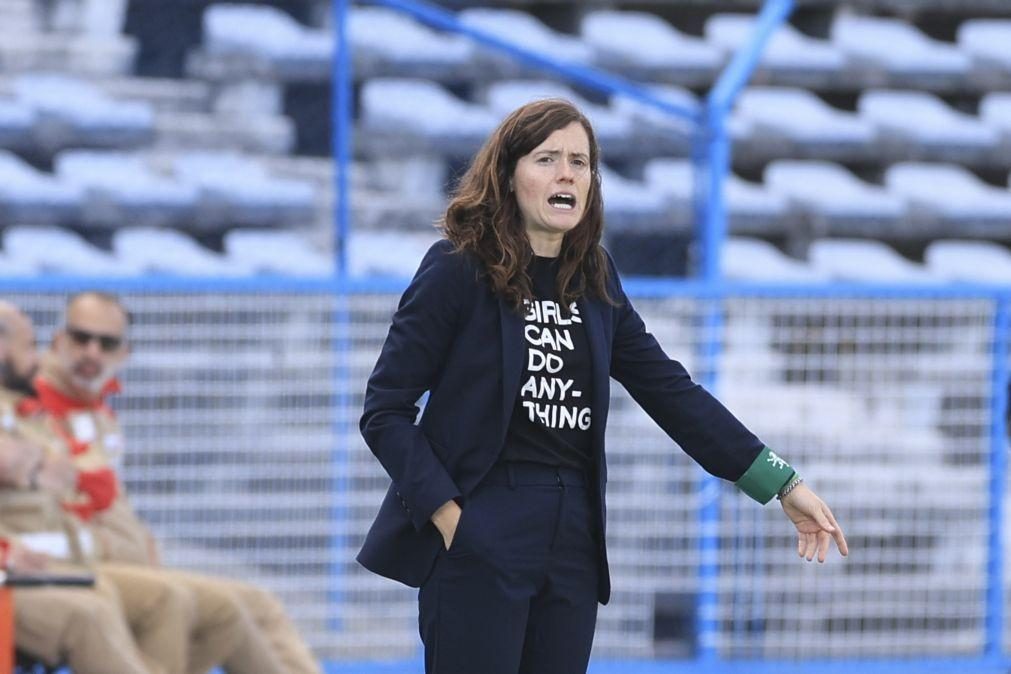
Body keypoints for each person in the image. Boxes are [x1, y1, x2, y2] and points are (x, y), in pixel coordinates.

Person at [357, 99, 849, 674]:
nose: (567, 173)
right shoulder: (456, 269)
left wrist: (779, 482)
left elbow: (670, 390)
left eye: (581, 162)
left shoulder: (594, 275)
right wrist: (451, 517)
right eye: (547, 159)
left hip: (572, 535)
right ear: (509, 176)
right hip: (483, 521)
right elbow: (384, 410)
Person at [33, 291, 321, 674]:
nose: (92, 352)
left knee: (258, 604)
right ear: (57, 341)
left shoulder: (98, 412)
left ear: (125, 354)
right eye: (80, 338)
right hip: (84, 567)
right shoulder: (32, 408)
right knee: (192, 606)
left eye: (107, 343)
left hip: (130, 565)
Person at [0, 300, 191, 674]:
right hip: (26, 572)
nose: (38, 360)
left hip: (42, 562)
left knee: (172, 600)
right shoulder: (37, 402)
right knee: (91, 612)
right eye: (29, 347)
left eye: (106, 343)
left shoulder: (30, 406)